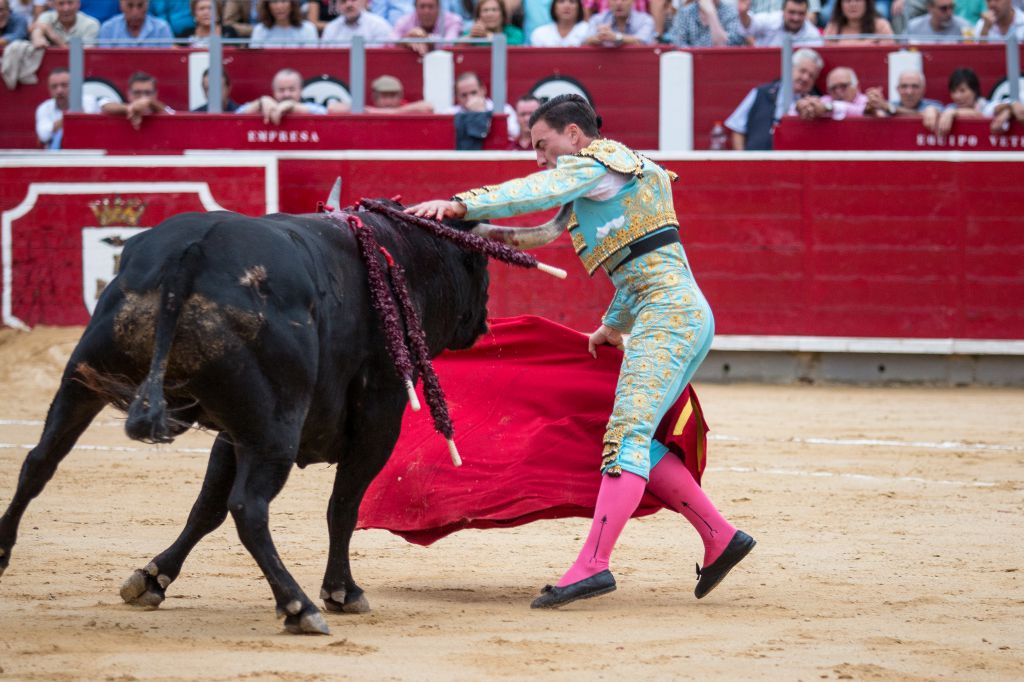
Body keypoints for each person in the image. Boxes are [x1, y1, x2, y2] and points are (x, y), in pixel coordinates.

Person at [406, 94, 755, 608]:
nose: (539, 157)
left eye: (542, 144)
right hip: (681, 312)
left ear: (573, 134)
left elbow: (535, 192)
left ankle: (593, 564)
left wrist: (461, 204)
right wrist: (613, 326)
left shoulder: (593, 165)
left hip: (667, 317)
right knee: (641, 439)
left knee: (625, 438)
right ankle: (720, 536)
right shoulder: (630, 172)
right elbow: (642, 256)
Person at [725, 46, 823, 150]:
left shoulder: (815, 103)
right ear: (789, 68)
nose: (805, 78)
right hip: (758, 160)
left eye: (811, 76)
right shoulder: (761, 93)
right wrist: (743, 161)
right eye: (802, 71)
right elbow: (737, 128)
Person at [36, 66, 102, 149]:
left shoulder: (88, 101)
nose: (59, 91)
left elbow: (87, 128)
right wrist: (71, 118)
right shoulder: (44, 108)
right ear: (49, 89)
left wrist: (58, 125)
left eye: (64, 85)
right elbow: (43, 136)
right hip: (56, 159)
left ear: (74, 86)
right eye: (54, 87)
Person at [447, 71, 520, 141]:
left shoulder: (503, 109)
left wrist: (482, 113)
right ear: (457, 97)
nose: (469, 98)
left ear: (483, 90)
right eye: (464, 95)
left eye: (473, 92)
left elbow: (515, 133)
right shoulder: (450, 114)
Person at [237, 67, 327, 123]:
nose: (286, 94)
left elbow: (326, 115)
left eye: (292, 89)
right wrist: (259, 103)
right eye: (281, 90)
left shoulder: (309, 106)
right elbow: (235, 116)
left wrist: (293, 107)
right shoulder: (264, 105)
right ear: (274, 91)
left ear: (300, 90)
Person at [922, 67, 986, 135]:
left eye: (962, 91)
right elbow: (939, 112)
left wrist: (953, 113)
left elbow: (980, 114)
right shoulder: (950, 107)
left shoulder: (986, 106)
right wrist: (930, 110)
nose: (957, 96)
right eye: (953, 91)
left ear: (974, 91)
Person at [100, 71, 175, 129]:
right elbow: (104, 105)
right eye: (137, 92)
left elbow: (171, 114)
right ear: (129, 94)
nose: (143, 97)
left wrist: (149, 102)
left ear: (155, 94)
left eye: (148, 92)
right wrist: (131, 108)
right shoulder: (117, 106)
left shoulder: (161, 108)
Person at [327, 73, 434, 112]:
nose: (388, 101)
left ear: (400, 96)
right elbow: (332, 108)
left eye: (392, 96)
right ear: (374, 97)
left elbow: (428, 106)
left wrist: (395, 112)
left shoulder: (406, 108)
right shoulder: (368, 109)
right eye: (384, 96)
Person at [737, 0, 821, 46]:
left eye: (801, 13)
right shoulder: (771, 20)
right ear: (783, 11)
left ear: (806, 13)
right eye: (792, 12)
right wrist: (743, 14)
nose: (796, 18)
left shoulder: (813, 35)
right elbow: (750, 26)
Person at [795, 66, 868, 120]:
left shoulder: (866, 101)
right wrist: (802, 106)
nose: (838, 91)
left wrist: (828, 108)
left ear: (856, 86)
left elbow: (863, 111)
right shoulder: (826, 100)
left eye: (843, 86)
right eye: (833, 88)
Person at [394, 0, 463, 55]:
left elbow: (449, 45)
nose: (426, 11)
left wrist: (425, 38)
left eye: (431, 6)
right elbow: (389, 42)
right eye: (422, 6)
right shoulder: (404, 20)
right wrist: (406, 40)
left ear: (439, 7)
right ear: (415, 8)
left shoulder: (454, 20)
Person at [864, 69, 941, 117]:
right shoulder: (888, 104)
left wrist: (889, 108)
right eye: (904, 86)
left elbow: (922, 115)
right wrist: (872, 106)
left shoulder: (935, 105)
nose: (909, 92)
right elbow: (876, 115)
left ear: (923, 89)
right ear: (897, 89)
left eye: (915, 86)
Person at [667, 0, 746, 47]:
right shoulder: (685, 13)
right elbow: (677, 47)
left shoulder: (731, 13)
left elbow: (725, 48)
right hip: (689, 69)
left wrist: (711, 14)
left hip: (721, 67)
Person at [97, 0, 173, 46]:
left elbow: (168, 62)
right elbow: (105, 63)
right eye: (130, 5)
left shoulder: (162, 28)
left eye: (140, 5)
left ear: (148, 5)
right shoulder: (108, 29)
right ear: (121, 5)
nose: (135, 12)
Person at [29, 0, 100, 47]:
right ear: (54, 5)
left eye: (70, 3)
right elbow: (37, 36)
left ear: (78, 4)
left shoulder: (91, 24)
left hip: (81, 69)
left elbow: (81, 59)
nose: (66, 8)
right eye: (61, 3)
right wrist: (37, 37)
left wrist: (53, 37)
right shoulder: (46, 16)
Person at [321, 0, 396, 44]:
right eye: (343, 1)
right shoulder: (331, 28)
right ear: (337, 5)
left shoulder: (379, 25)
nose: (348, 4)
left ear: (364, 1)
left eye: (353, 0)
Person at [583, 0, 656, 45]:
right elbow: (585, 42)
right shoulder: (597, 19)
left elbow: (643, 42)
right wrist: (600, 37)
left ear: (633, 1)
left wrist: (616, 37)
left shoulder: (645, 20)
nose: (618, 3)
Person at [250, 0, 318, 46]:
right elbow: (255, 61)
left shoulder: (308, 29)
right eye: (274, 1)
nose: (279, 7)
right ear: (267, 6)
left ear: (292, 4)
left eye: (284, 1)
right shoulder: (260, 30)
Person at [823, 0, 893, 44]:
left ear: (867, 3)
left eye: (858, 0)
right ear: (840, 5)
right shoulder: (833, 27)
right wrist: (867, 43)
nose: (853, 4)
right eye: (848, 1)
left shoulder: (881, 25)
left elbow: (888, 52)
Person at [905, 0, 970, 37]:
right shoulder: (914, 27)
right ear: (930, 8)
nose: (949, 13)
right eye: (943, 8)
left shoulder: (964, 27)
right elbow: (902, 52)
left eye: (952, 7)